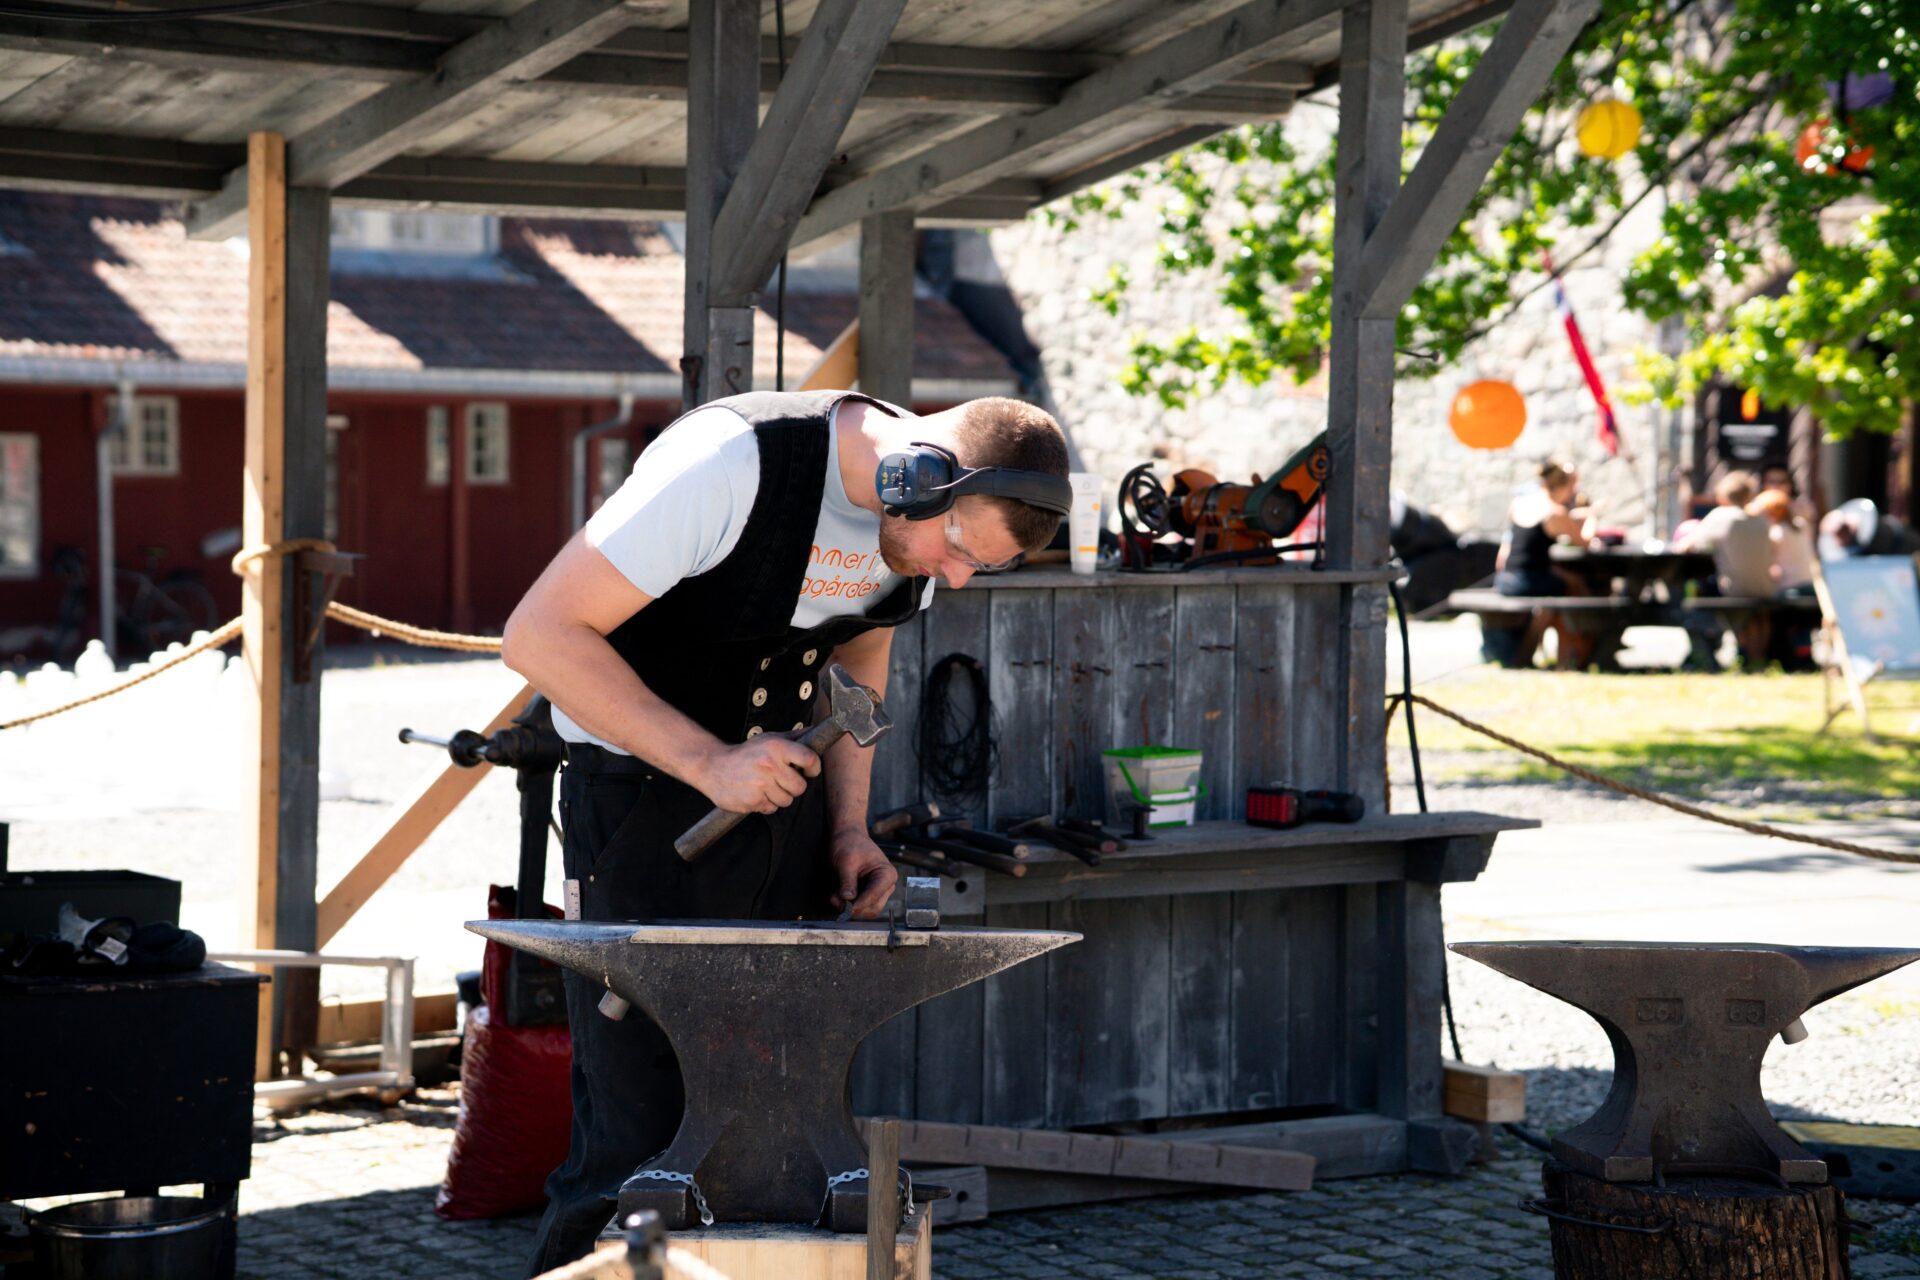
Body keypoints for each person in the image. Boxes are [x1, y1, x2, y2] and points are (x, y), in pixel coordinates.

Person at [500, 390, 1070, 1273]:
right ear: (913, 477)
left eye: (976, 569)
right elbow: (538, 634)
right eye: (957, 547)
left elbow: (860, 661)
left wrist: (850, 828)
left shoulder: (909, 530)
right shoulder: (732, 468)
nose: (954, 578)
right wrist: (707, 762)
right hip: (642, 816)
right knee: (636, 1140)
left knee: (779, 1131)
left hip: (784, 820)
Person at [1490, 461, 1596, 666]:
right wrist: (1591, 517)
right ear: (1566, 487)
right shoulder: (1555, 512)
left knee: (1559, 584)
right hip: (1528, 581)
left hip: (1506, 578)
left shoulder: (1520, 503)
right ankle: (1570, 652)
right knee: (1571, 586)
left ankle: (1535, 651)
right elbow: (1585, 543)